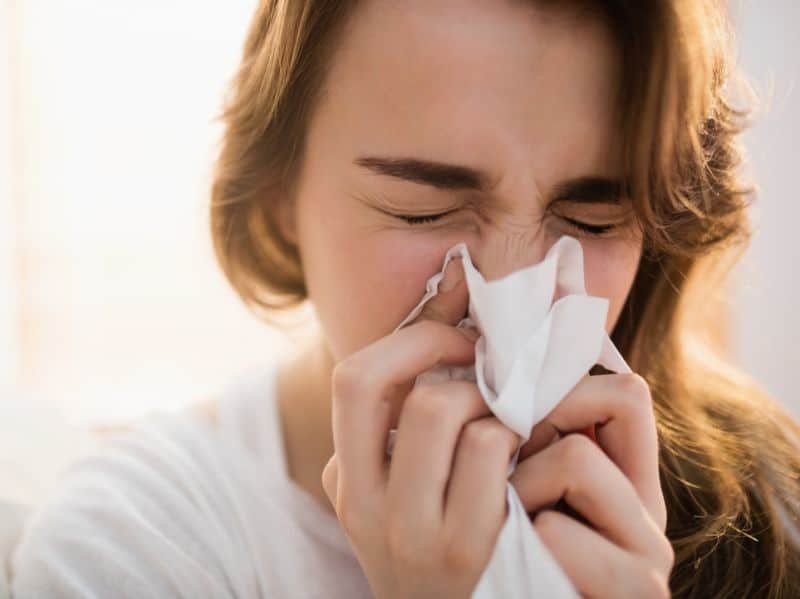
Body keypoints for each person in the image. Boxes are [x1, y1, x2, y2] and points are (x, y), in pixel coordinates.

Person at [9, 0, 800, 597]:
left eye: (593, 218)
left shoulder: (767, 507)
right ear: (280, 195)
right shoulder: (132, 549)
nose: (507, 298)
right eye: (423, 211)